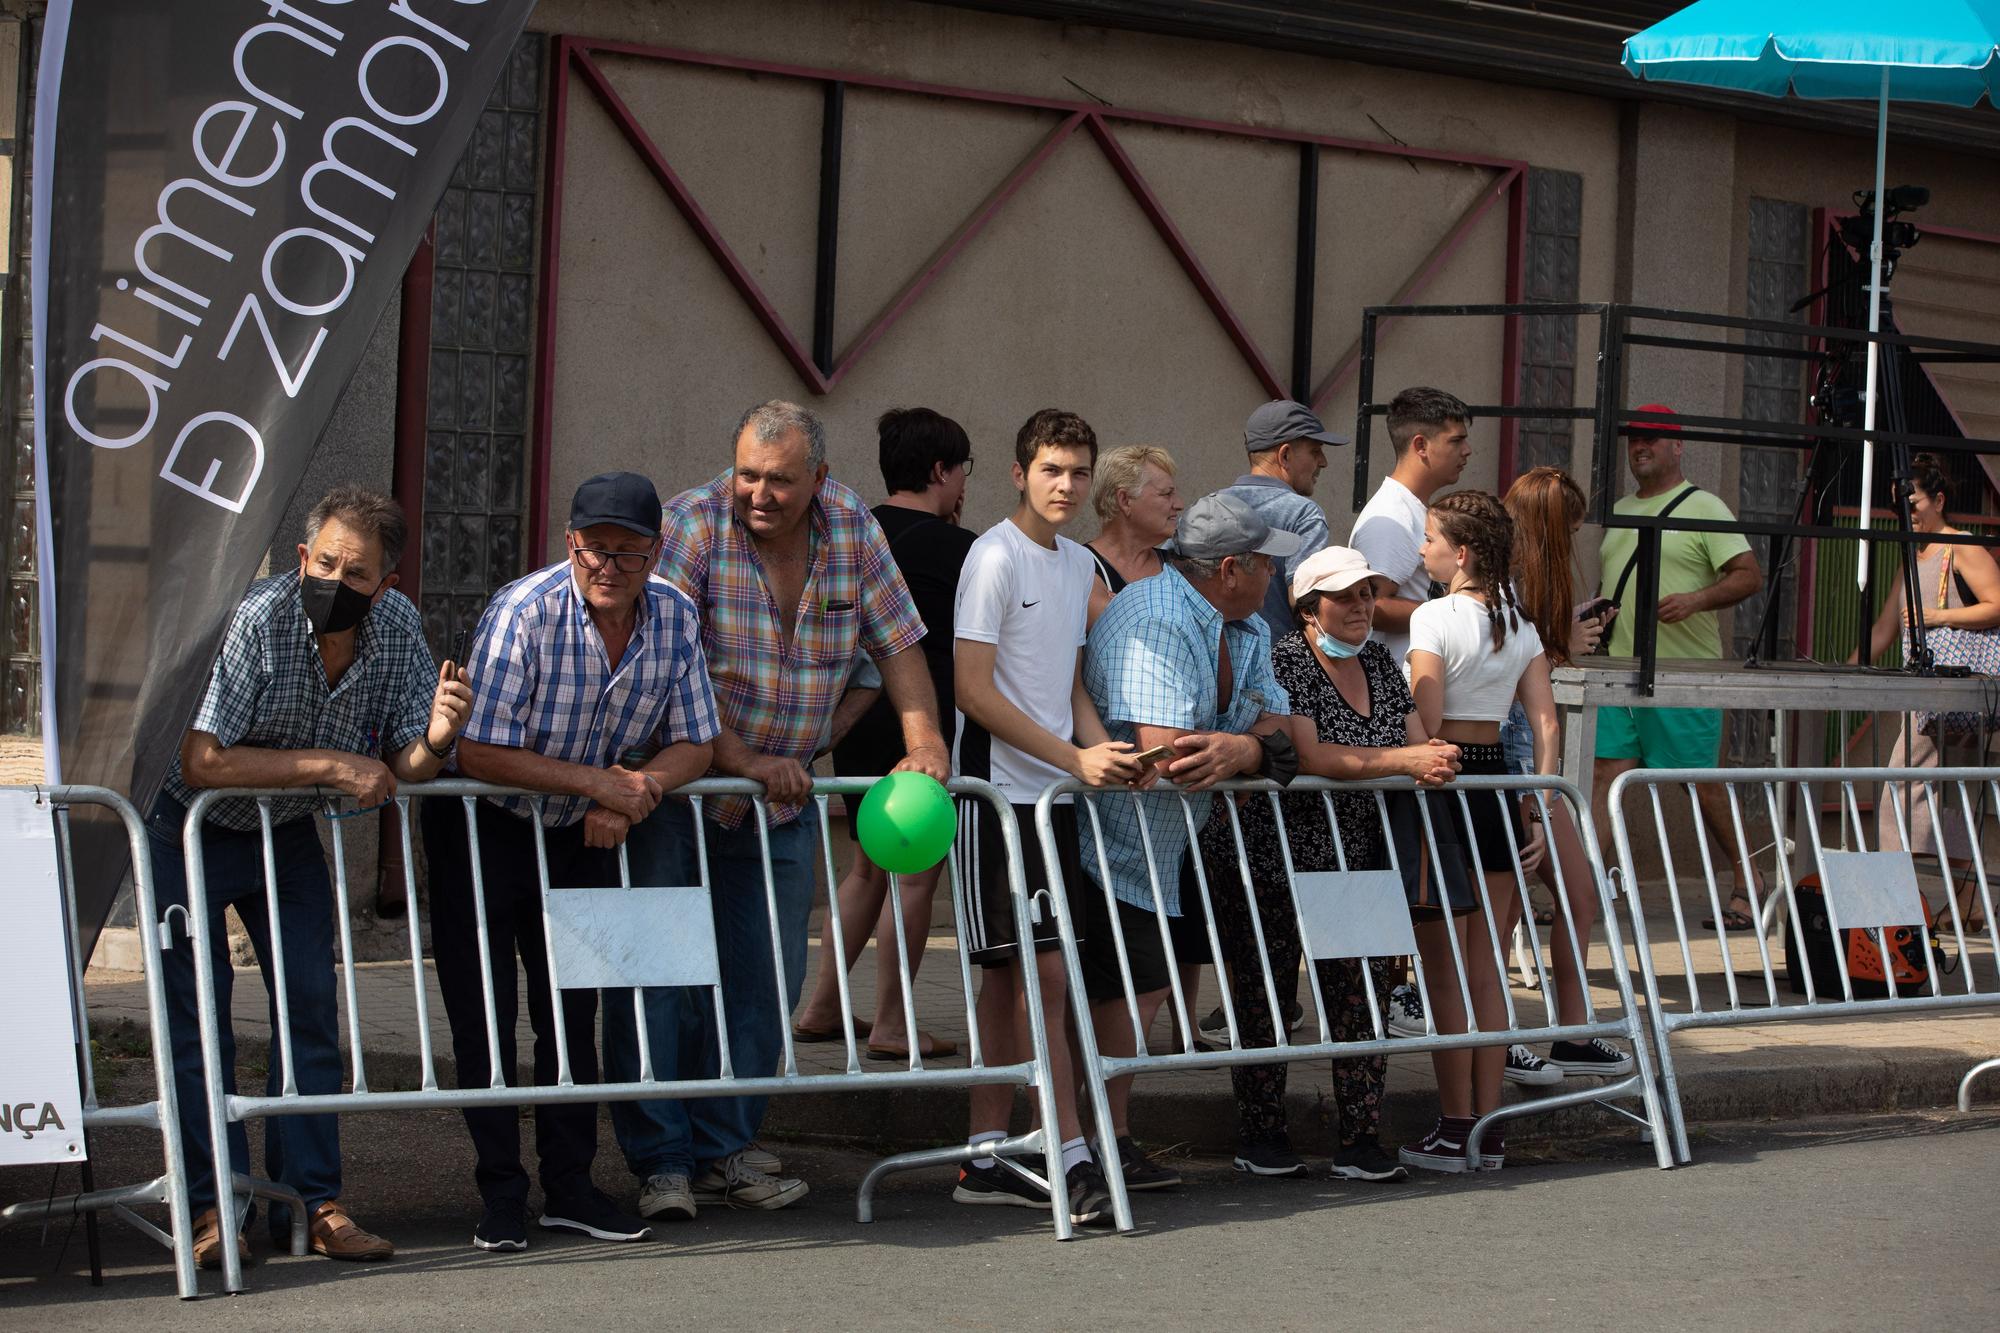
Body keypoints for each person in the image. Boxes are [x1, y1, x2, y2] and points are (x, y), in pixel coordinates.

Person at [607, 400, 951, 1220]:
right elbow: (665, 674)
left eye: (779, 480)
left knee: (767, 979)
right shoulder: (691, 526)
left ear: (820, 479)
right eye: (747, 475)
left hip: (779, 808)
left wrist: (926, 737)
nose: (758, 493)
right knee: (665, 978)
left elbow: (897, 643)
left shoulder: (854, 528)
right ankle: (661, 1161)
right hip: (678, 793)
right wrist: (750, 760)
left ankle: (724, 1146)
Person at [155, 486, 471, 1268]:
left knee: (309, 1010)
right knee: (200, 1024)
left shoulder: (395, 627)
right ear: (302, 558)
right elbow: (203, 758)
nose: (333, 579)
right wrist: (331, 763)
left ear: (384, 585)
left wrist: (435, 738)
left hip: (283, 828)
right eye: (323, 561)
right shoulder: (259, 619)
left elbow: (399, 764)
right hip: (187, 824)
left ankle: (313, 1201)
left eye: (354, 572)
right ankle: (212, 1206)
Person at [430, 472, 717, 1252]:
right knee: (484, 1015)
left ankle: (569, 1187)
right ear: (571, 543)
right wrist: (598, 780)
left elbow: (698, 738)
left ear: (656, 552)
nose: (609, 566)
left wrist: (641, 787)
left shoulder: (678, 617)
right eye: (595, 548)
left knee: (572, 1013)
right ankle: (499, 1193)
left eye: (628, 551)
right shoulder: (525, 611)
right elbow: (480, 748)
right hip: (483, 824)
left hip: (575, 831)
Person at [1195, 546, 1459, 1181]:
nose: (1362, 606)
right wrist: (1405, 762)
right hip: (1272, 853)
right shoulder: (1286, 659)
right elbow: (1310, 756)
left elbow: (1416, 737)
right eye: (1345, 596)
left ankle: (1362, 1138)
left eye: (1367, 594)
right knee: (1266, 994)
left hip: (1356, 855)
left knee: (1361, 994)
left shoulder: (1379, 661)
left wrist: (1433, 757)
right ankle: (1261, 1135)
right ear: (1309, 607)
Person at [952, 408, 1153, 1225]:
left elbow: (1068, 689)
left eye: (1077, 470)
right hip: (997, 799)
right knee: (1043, 976)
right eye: (1051, 470)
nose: (1066, 485)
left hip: (1056, 800)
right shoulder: (992, 556)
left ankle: (984, 1156)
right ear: (1019, 473)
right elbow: (972, 689)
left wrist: (1107, 755)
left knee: (1016, 982)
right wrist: (1074, 759)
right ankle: (1070, 1153)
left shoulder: (1079, 564)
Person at [1080, 491, 1301, 1177]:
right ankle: (1101, 1142)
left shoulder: (1249, 627)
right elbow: (1172, 753)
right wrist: (1250, 749)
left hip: (1175, 842)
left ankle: (1111, 1138)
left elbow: (1282, 730)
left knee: (1141, 990)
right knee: (1129, 990)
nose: (1278, 578)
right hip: (1115, 842)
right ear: (1230, 568)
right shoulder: (1153, 613)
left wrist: (1244, 752)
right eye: (1269, 565)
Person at [795, 407, 979, 1061]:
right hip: (918, 721)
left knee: (866, 865)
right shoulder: (961, 549)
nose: (963, 485)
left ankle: (818, 1007)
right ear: (940, 471)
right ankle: (894, 1023)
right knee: (914, 875)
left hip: (856, 713)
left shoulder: (855, 531)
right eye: (963, 470)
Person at [1402, 490, 1557, 1173]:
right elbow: (1547, 724)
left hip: (1445, 782)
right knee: (1489, 968)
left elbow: (1427, 715)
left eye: (1430, 538)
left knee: (1444, 972)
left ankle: (1455, 1122)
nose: (1421, 549)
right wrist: (1542, 804)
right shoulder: (1518, 619)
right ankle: (1488, 1131)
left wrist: (1402, 721)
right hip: (1499, 782)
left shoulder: (1431, 614)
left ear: (1461, 552)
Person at [1592, 405, 1762, 931]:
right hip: (1619, 669)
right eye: (1634, 439)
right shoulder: (1619, 509)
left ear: (1677, 446)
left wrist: (1696, 600)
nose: (1640, 446)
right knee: (1605, 772)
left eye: (1653, 438)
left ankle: (1750, 883)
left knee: (1701, 782)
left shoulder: (1704, 506)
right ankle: (1586, 886)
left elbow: (1748, 575)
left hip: (1682, 672)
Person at [1497, 468, 1633, 1082]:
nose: (1577, 541)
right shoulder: (1502, 583)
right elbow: (1505, 670)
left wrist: (1560, 632)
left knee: (1580, 894)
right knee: (1501, 908)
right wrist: (1559, 640)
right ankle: (1492, 1033)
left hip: (1533, 770)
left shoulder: (1525, 586)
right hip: (1505, 765)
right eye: (1572, 529)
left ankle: (1572, 1034)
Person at [1857, 453, 2000, 926]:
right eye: (1901, 502)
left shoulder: (1962, 548)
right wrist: (1847, 671)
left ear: (1938, 500)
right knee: (1948, 797)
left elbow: (1997, 604)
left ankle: (1896, 903)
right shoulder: (1910, 559)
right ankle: (1967, 898)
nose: (1907, 509)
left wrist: (1940, 616)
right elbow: (1884, 629)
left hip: (1958, 691)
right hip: (1925, 695)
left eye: (1913, 499)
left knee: (1900, 787)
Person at [1350, 386, 1472, 663]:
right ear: (1421, 446)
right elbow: (1373, 607)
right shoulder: (1391, 517)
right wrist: (1459, 612)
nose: (1467, 450)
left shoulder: (1411, 509)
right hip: (1400, 692)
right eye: (1456, 441)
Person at [1223, 399, 1345, 640]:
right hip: (1278, 665)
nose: (1323, 462)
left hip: (1214, 661)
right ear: (1285, 455)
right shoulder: (1303, 513)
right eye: (1315, 451)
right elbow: (1303, 600)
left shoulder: (1210, 507)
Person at [1084, 444, 1184, 626]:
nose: (1179, 504)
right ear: (1125, 500)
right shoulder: (1081, 565)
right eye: (1166, 494)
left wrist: (1121, 605)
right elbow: (1129, 632)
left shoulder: (1177, 565)